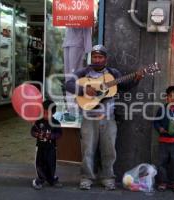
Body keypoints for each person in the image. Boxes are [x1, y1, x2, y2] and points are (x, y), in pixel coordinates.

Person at [66, 44, 144, 190]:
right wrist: (84, 90)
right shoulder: (83, 72)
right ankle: (86, 178)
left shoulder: (113, 73)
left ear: (105, 59)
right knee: (87, 150)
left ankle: (107, 178)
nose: (97, 60)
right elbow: (68, 84)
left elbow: (124, 86)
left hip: (108, 118)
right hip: (89, 118)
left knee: (109, 151)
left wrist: (136, 79)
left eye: (100, 57)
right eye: (94, 57)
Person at [31, 100, 63, 190]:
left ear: (53, 113)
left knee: (51, 164)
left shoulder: (56, 123)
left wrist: (51, 136)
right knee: (40, 164)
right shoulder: (38, 122)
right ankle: (39, 180)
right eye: (43, 112)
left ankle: (51, 179)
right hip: (40, 147)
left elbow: (59, 134)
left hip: (51, 148)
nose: (44, 114)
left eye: (47, 113)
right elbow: (32, 131)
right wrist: (36, 134)